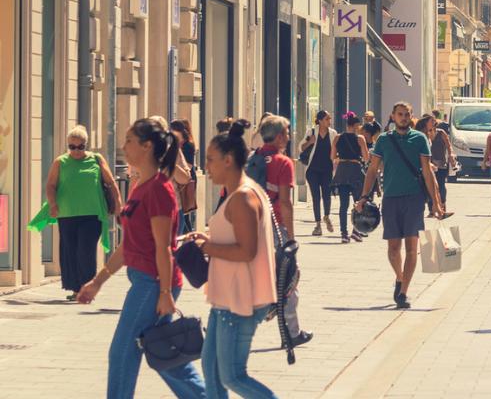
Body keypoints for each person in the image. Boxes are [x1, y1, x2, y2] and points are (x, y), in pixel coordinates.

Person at [77, 117, 205, 398]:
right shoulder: (142, 187)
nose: (123, 146)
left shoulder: (159, 189)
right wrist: (97, 282)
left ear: (147, 147)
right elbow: (128, 246)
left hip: (154, 282)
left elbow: (163, 247)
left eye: (129, 141)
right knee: (166, 354)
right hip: (147, 280)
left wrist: (163, 292)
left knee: (123, 351)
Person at [188, 120, 279, 399]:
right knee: (212, 370)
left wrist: (208, 248)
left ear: (228, 160)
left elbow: (246, 251)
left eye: (210, 160)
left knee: (233, 375)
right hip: (227, 297)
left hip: (241, 300)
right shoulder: (241, 193)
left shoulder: (242, 197)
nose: (207, 166)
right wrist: (205, 238)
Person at [360, 102, 445, 309]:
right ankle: (399, 278)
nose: (404, 118)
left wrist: (436, 202)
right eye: (400, 114)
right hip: (390, 198)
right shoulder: (383, 140)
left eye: (407, 114)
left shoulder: (420, 139)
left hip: (414, 199)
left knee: (412, 248)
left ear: (411, 116)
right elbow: (372, 170)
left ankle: (404, 292)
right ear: (393, 116)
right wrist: (364, 196)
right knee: (393, 247)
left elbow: (427, 171)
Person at [251, 115, 314, 345]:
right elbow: (286, 203)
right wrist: (291, 237)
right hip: (277, 229)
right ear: (279, 137)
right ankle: (291, 332)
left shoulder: (254, 159)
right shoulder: (283, 162)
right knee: (288, 280)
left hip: (254, 228)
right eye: (287, 133)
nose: (288, 137)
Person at [45, 125, 120, 301]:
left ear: (86, 145)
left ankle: (86, 289)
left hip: (92, 215)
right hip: (67, 214)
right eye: (72, 147)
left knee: (85, 251)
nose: (76, 151)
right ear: (68, 146)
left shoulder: (96, 159)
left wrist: (118, 203)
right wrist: (53, 204)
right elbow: (50, 185)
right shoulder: (60, 162)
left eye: (80, 147)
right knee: (70, 251)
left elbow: (110, 182)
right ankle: (75, 288)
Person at [299, 110, 339, 237]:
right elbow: (301, 147)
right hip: (313, 171)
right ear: (320, 120)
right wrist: (310, 142)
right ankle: (317, 225)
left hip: (327, 170)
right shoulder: (311, 132)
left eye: (330, 119)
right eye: (327, 119)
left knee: (327, 195)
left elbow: (336, 150)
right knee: (316, 197)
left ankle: (326, 216)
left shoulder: (333, 133)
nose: (329, 121)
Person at [333, 112, 370, 242]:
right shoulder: (360, 139)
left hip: (342, 171)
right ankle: (356, 231)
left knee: (343, 205)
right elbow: (366, 158)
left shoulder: (337, 137)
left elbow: (332, 156)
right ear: (355, 126)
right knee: (358, 203)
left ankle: (344, 234)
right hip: (355, 172)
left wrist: (341, 158)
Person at [418, 114, 456, 215]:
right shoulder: (422, 134)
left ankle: (442, 206)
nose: (434, 122)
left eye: (434, 120)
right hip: (428, 164)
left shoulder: (441, 133)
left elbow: (449, 146)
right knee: (430, 186)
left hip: (441, 164)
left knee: (441, 186)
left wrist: (451, 155)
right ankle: (432, 210)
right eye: (432, 120)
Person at [171, 119, 200, 234]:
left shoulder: (188, 145)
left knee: (185, 208)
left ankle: (188, 235)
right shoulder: (176, 145)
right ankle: (188, 234)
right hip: (178, 178)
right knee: (183, 212)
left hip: (186, 179)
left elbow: (188, 165)